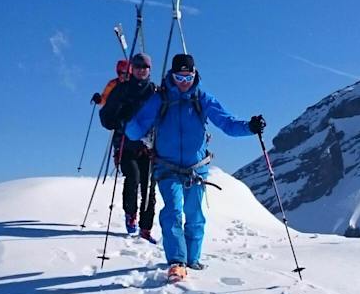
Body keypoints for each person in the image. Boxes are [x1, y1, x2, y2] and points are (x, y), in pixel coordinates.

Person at [125, 53, 266, 282]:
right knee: (172, 212)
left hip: (196, 168)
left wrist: (250, 127)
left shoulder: (203, 99)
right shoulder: (159, 99)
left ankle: (192, 259)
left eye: (187, 77)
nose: (184, 83)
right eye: (179, 78)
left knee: (195, 214)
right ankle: (177, 262)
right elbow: (135, 129)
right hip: (166, 166)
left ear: (194, 74)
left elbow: (227, 124)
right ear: (172, 75)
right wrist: (127, 120)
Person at [100, 53, 160, 241]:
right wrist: (119, 114)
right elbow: (106, 119)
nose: (141, 70)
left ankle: (146, 227)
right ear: (132, 69)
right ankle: (130, 214)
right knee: (133, 178)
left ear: (150, 70)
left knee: (149, 187)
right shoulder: (121, 90)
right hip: (125, 145)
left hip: (149, 147)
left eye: (145, 67)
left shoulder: (156, 92)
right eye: (138, 67)